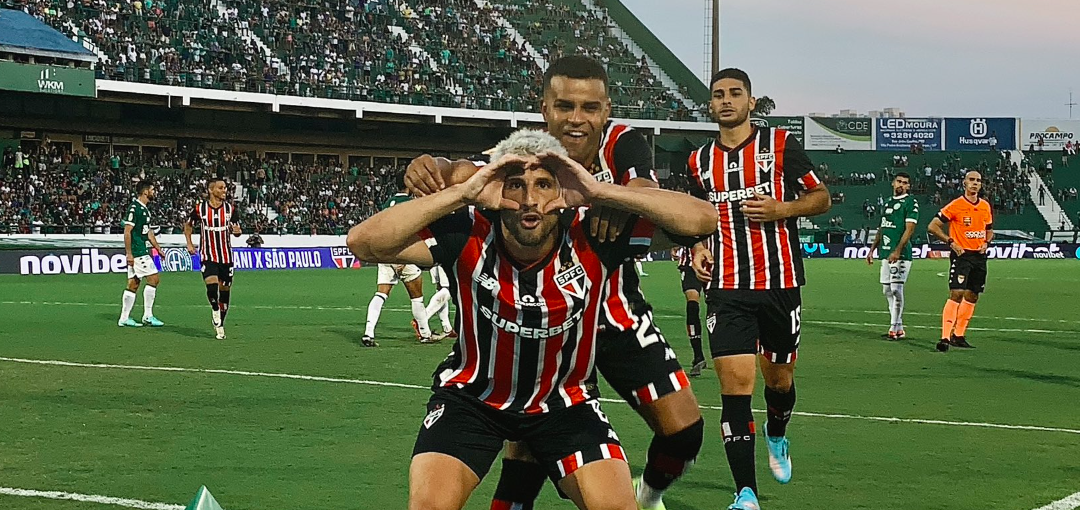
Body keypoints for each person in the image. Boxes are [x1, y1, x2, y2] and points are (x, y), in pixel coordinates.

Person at [347, 130, 717, 510]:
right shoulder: (466, 232)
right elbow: (362, 242)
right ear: (495, 188)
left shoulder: (594, 234)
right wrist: (462, 193)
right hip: (473, 402)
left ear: (562, 190)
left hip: (565, 408)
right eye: (515, 184)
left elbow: (703, 221)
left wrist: (599, 193)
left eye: (543, 184)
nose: (530, 198)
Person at [687, 68, 832, 510]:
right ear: (710, 106)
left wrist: (783, 208)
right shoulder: (698, 162)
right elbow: (695, 215)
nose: (726, 101)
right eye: (718, 95)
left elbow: (822, 198)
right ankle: (745, 493)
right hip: (727, 287)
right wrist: (697, 244)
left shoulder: (781, 146)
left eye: (735, 94)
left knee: (780, 380)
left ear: (752, 102)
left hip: (780, 283)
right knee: (734, 387)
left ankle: (778, 432)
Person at [362, 172, 433, 346]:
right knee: (416, 297)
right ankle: (425, 334)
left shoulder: (388, 203)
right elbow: (409, 231)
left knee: (381, 294)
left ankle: (368, 333)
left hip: (386, 254)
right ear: (409, 185)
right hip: (404, 253)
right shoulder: (411, 204)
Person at [927, 171, 993, 352]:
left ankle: (959, 335)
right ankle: (945, 337)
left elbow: (989, 230)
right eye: (971, 180)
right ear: (964, 183)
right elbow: (932, 226)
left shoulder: (985, 206)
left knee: (972, 295)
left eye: (978, 181)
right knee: (956, 293)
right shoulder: (955, 205)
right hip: (962, 256)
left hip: (979, 257)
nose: (975, 183)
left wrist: (986, 242)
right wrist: (951, 242)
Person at [184, 177, 242, 340]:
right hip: (208, 255)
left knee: (225, 291)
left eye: (225, 188)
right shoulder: (200, 209)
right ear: (211, 190)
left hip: (226, 257)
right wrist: (189, 243)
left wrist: (237, 232)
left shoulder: (231, 209)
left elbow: (236, 230)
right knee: (211, 287)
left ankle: (220, 324)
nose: (225, 191)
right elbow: (188, 226)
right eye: (221, 188)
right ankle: (215, 309)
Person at [865, 172, 919, 339]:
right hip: (885, 253)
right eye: (899, 181)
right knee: (887, 290)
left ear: (908, 186)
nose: (901, 185)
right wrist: (872, 248)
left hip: (901, 254)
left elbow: (910, 228)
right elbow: (882, 227)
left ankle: (893, 328)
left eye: (905, 182)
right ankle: (899, 327)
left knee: (896, 289)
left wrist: (897, 250)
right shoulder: (887, 202)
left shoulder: (910, 202)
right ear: (893, 183)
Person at [118, 180, 165, 328]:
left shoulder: (144, 209)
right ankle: (148, 315)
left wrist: (158, 248)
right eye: (152, 189)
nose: (154, 192)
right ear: (145, 192)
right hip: (138, 252)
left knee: (133, 283)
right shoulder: (135, 208)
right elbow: (127, 232)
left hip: (140, 250)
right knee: (154, 279)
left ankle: (124, 318)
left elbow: (148, 232)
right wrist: (129, 254)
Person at [674, 246, 708, 376]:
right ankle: (698, 355)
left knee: (715, 308)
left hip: (715, 264)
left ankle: (701, 356)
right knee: (692, 305)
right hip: (690, 265)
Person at [423, 265, 457, 340]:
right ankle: (422, 320)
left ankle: (447, 328)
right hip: (450, 258)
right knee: (449, 288)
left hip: (438, 258)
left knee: (441, 288)